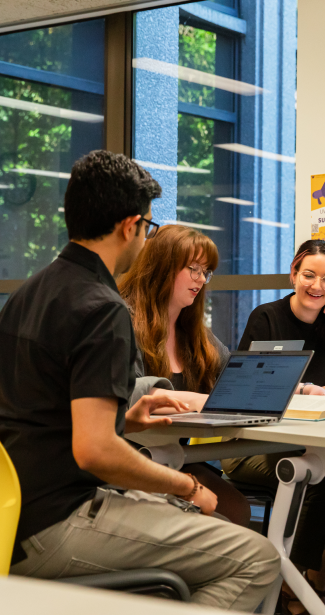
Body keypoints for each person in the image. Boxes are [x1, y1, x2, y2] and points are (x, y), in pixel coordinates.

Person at [0, 151, 279, 610]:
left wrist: (125, 419)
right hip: (58, 519)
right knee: (257, 558)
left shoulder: (30, 293)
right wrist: (189, 488)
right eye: (149, 227)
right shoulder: (102, 307)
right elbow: (94, 451)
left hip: (15, 515)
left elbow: (43, 418)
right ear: (131, 226)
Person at [221, 239, 325, 615]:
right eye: (309, 275)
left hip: (313, 445)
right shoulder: (266, 317)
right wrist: (313, 390)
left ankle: (317, 581)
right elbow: (250, 385)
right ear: (294, 274)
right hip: (253, 445)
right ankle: (290, 588)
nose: (317, 286)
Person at [118, 224, 252, 526]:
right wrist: (201, 401)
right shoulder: (121, 321)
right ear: (162, 267)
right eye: (193, 269)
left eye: (206, 272)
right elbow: (130, 395)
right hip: (127, 461)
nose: (201, 280)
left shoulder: (195, 334)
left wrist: (304, 390)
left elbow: (235, 379)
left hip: (173, 458)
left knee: (236, 509)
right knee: (218, 518)